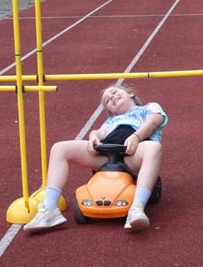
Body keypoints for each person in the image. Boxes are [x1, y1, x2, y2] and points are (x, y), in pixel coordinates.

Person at [23, 84, 168, 233]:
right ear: (110, 110)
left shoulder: (149, 108)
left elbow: (154, 122)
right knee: (59, 148)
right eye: (107, 101)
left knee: (154, 147)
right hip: (106, 157)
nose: (111, 97)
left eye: (114, 92)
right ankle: (49, 210)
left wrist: (136, 137)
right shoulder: (112, 121)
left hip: (134, 155)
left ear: (130, 94)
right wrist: (93, 137)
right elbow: (99, 132)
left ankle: (136, 208)